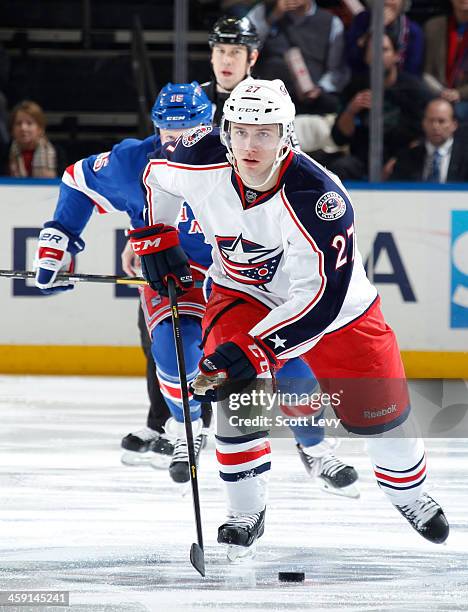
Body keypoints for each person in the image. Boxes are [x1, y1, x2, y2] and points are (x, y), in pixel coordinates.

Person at [131, 78, 449, 559]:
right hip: (243, 294)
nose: (249, 145)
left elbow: (320, 298)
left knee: (383, 417)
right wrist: (156, 236)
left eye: (264, 133)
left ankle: (408, 492)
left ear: (287, 135)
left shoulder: (319, 197)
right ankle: (245, 510)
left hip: (339, 313)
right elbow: (154, 176)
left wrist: (258, 347)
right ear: (225, 131)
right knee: (234, 389)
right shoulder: (199, 158)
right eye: (240, 131)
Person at [203, 15, 360, 498]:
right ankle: (180, 436)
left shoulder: (274, 99)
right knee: (191, 349)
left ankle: (315, 449)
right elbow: (163, 172)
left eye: (237, 52)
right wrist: (149, 235)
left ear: (252, 57)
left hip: (285, 263)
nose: (227, 60)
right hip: (231, 262)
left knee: (295, 367)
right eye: (220, 51)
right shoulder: (192, 105)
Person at [32, 82, 213, 484]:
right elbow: (78, 181)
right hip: (172, 277)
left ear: (208, 124)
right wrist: (59, 238)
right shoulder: (133, 162)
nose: (175, 140)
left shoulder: (234, 157)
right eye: (167, 130)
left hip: (233, 277)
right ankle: (188, 429)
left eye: (186, 130)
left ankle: (307, 447)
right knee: (170, 350)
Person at [329, 32, 435, 180]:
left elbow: (428, 134)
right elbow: (339, 138)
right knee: (340, 167)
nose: (378, 56)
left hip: (403, 160)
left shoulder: (414, 90)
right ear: (366, 56)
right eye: (373, 50)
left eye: (384, 50)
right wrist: (351, 110)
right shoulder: (355, 87)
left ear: (396, 55)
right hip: (362, 161)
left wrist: (401, 159)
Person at [247, 0, 349, 114]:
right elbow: (243, 47)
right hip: (264, 100)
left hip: (307, 103)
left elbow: (336, 70)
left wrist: (320, 88)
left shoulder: (331, 22)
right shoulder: (265, 11)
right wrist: (272, 18)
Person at [390, 97, 468, 182]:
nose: (435, 126)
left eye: (441, 121)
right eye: (431, 121)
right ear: (423, 123)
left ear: (454, 125)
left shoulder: (464, 156)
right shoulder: (407, 157)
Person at [346, 0, 425, 76]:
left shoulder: (413, 31)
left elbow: (413, 71)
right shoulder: (362, 20)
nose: (387, 2)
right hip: (362, 81)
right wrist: (375, 28)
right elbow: (351, 58)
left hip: (399, 85)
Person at [423, 0, 468, 121]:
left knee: (458, 112)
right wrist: (441, 92)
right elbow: (426, 72)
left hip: (465, 98)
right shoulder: (433, 26)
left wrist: (459, 93)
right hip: (436, 92)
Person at [8, 100, 57, 178]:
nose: (23, 128)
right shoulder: (5, 154)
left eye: (29, 123)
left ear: (40, 128)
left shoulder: (58, 154)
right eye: (18, 123)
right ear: (12, 129)